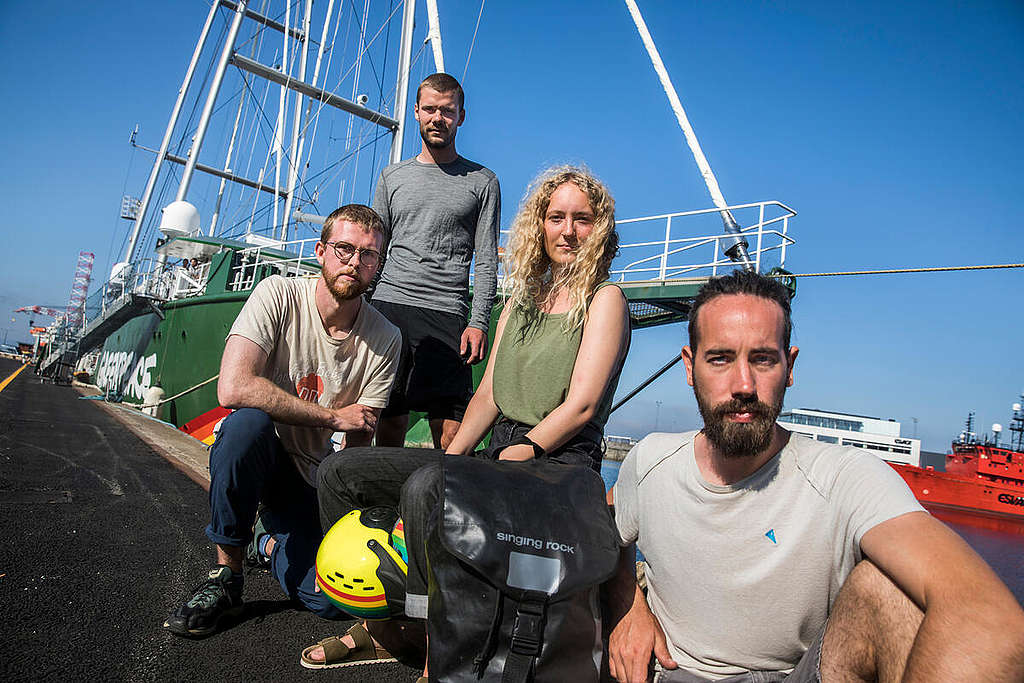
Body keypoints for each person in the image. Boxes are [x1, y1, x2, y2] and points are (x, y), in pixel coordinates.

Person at [607, 270, 1024, 682]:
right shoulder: (651, 461)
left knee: (891, 590)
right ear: (689, 366)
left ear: (789, 367)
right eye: (720, 358)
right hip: (676, 672)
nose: (743, 384)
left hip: (796, 676)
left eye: (763, 359)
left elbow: (987, 616)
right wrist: (628, 602)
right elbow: (606, 528)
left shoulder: (846, 478)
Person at [301, 166, 630, 672]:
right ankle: (386, 625)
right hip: (499, 450)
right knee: (341, 473)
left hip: (558, 462)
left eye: (582, 219)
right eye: (556, 217)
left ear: (599, 228)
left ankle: (435, 650)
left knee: (424, 490)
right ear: (539, 225)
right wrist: (452, 461)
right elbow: (488, 399)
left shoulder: (605, 299)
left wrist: (518, 452)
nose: (567, 231)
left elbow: (582, 405)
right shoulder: (522, 301)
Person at [163, 204, 402, 638]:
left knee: (335, 601)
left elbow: (358, 445)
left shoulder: (386, 337)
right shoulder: (278, 293)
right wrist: (331, 416)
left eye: (368, 255)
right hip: (263, 453)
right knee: (244, 425)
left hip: (313, 479)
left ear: (378, 265)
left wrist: (345, 535)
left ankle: (266, 543)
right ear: (320, 251)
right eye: (344, 249)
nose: (355, 262)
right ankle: (226, 576)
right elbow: (233, 388)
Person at [370, 72, 501, 450]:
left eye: (447, 111)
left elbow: (487, 259)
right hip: (388, 310)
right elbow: (375, 247)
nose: (437, 118)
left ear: (461, 116)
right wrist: (360, 309)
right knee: (387, 424)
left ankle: (440, 509)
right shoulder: (392, 177)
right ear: (416, 112)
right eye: (429, 109)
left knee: (452, 436)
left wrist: (477, 323)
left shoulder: (483, 182)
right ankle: (381, 504)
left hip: (447, 314)